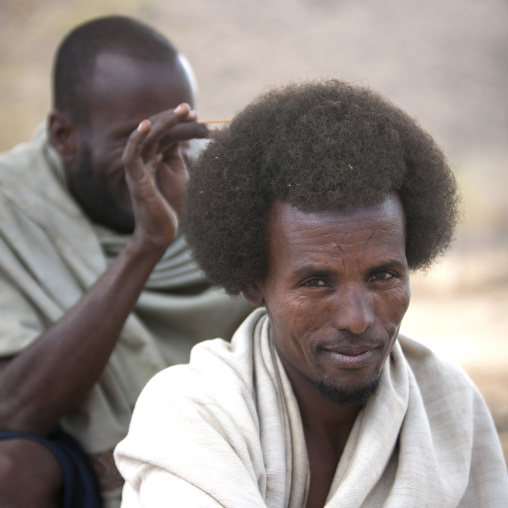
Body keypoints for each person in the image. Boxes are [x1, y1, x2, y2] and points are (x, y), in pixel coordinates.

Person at [115, 79, 508, 507]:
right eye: (316, 283)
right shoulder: (194, 411)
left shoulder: (448, 407)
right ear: (252, 283)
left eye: (383, 277)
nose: (358, 319)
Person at [0, 15, 252, 508]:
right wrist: (148, 244)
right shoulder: (11, 207)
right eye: (133, 139)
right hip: (80, 453)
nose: (157, 159)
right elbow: (13, 411)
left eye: (175, 134)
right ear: (64, 135)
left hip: (225, 439)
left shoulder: (221, 196)